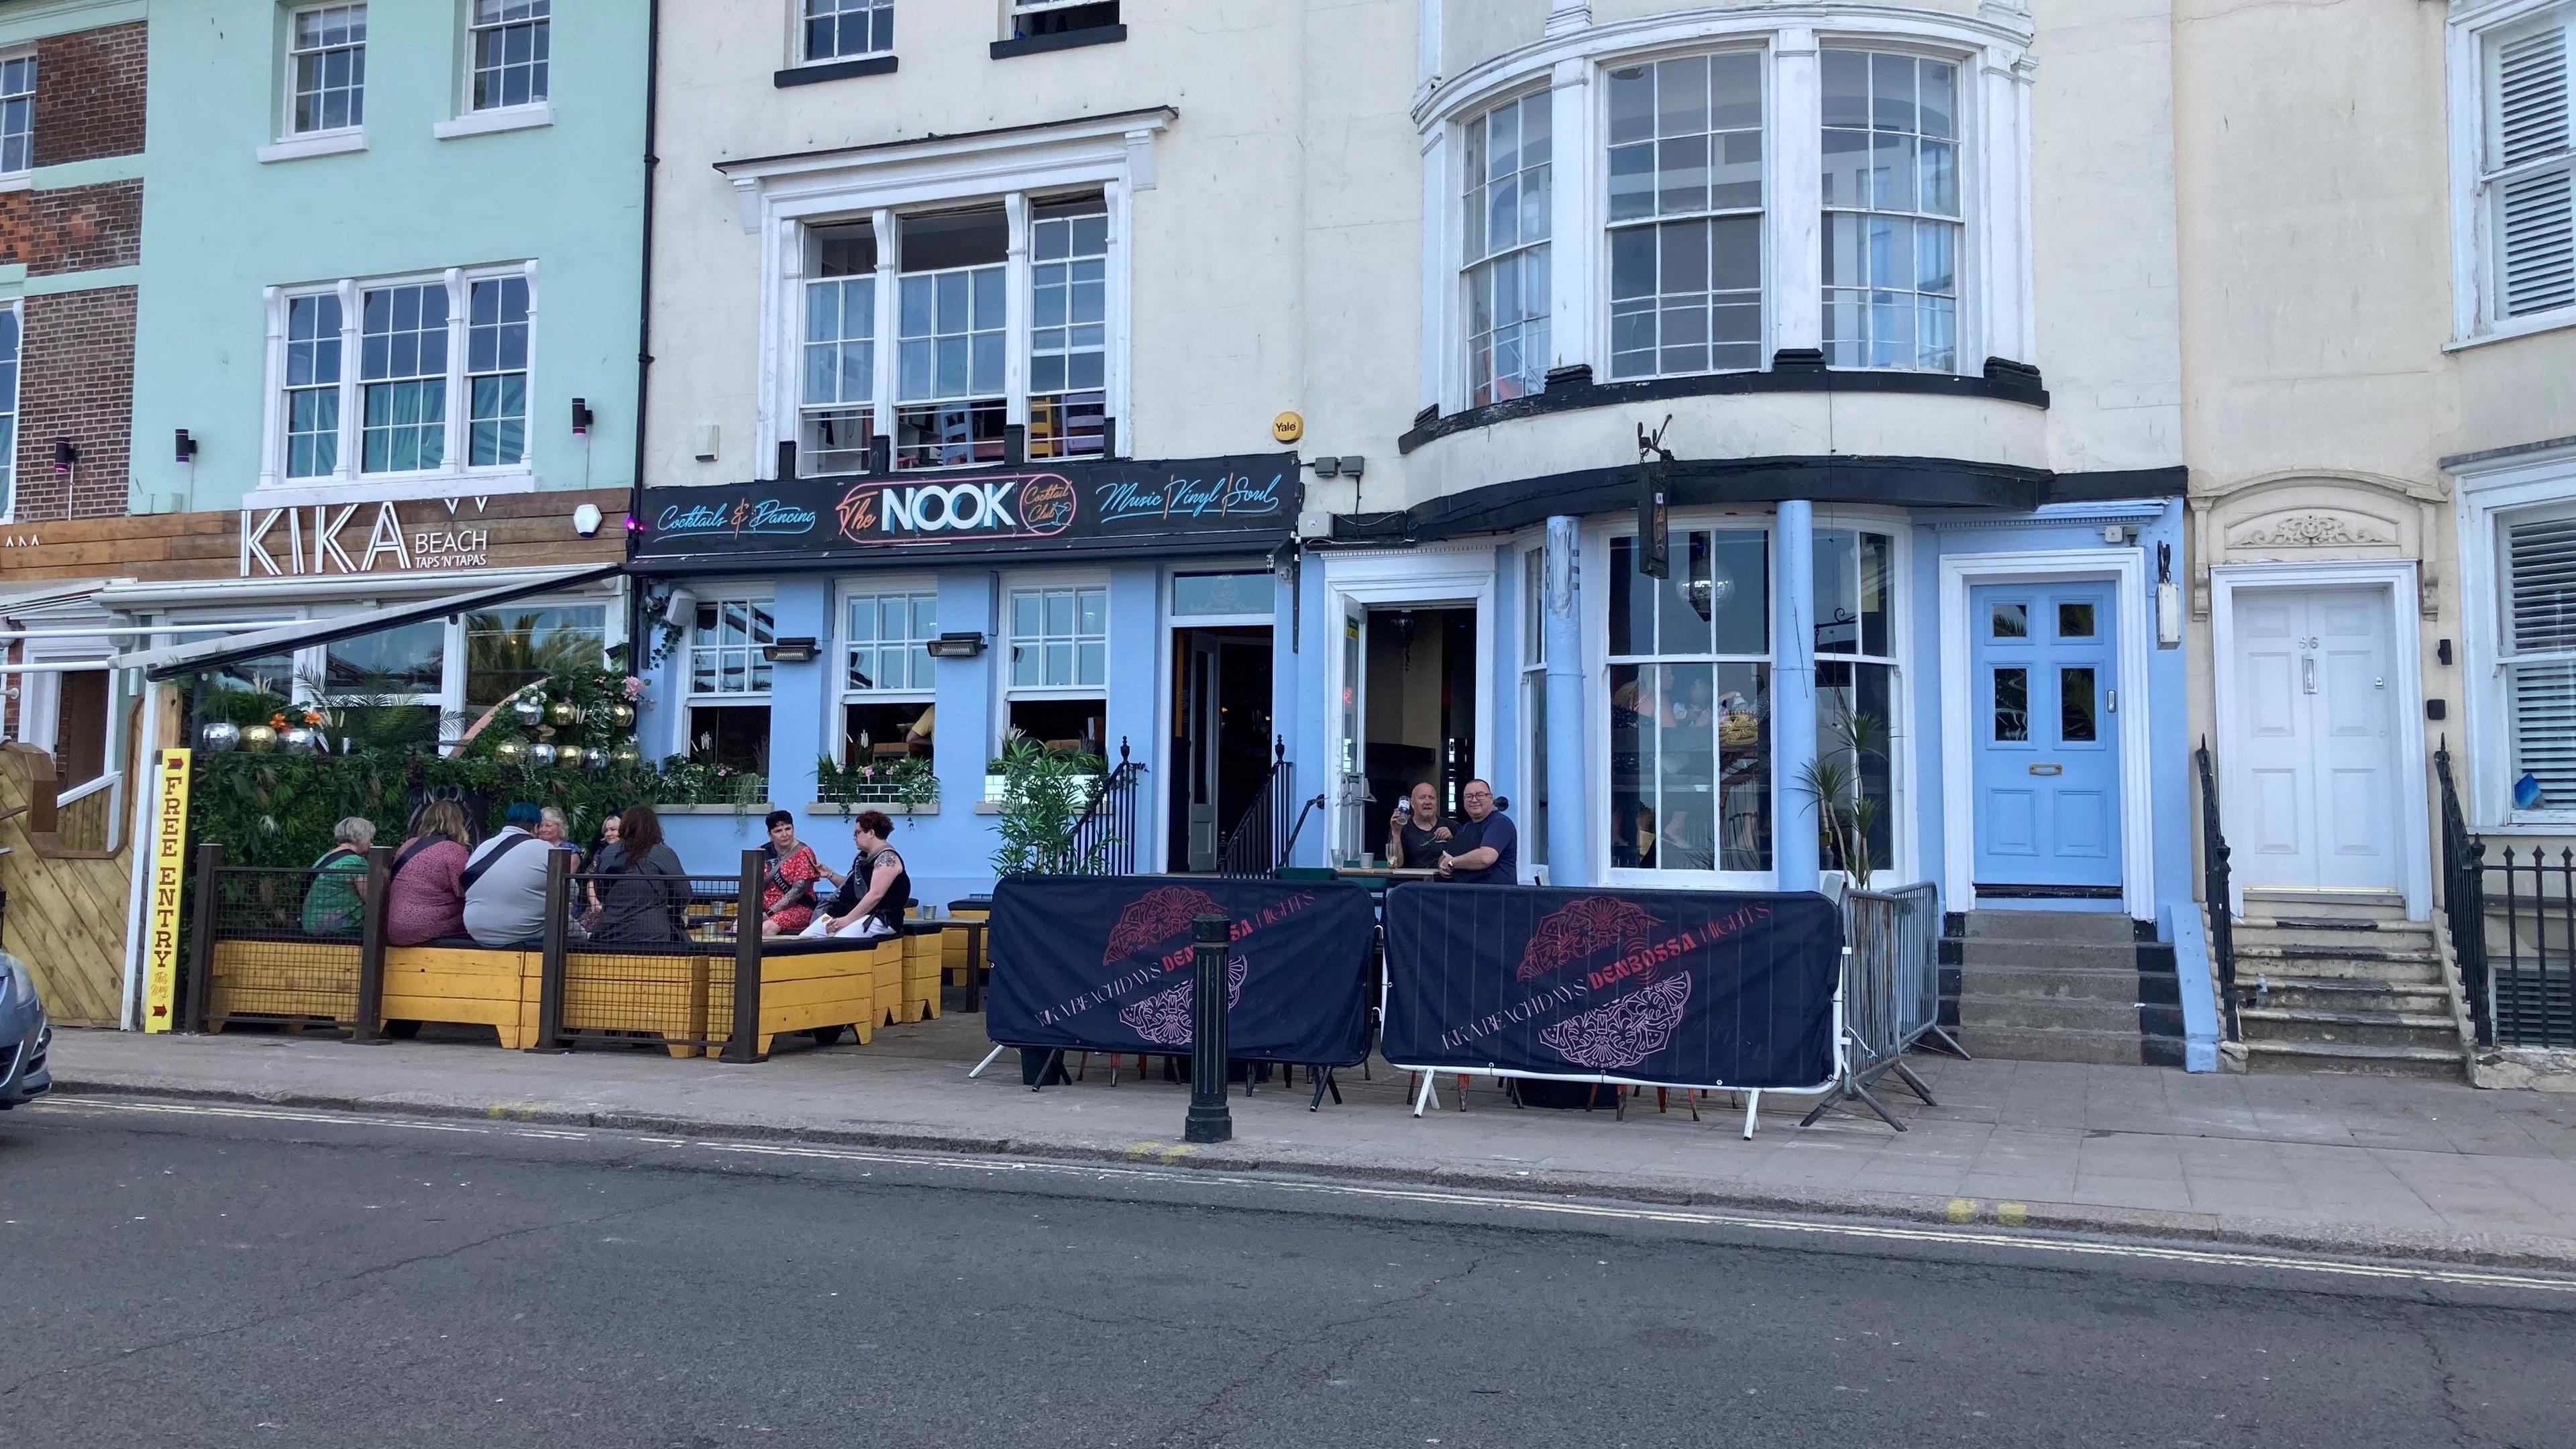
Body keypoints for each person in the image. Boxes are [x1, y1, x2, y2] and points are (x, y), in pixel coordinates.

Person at [802, 810, 909, 940]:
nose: (854, 837)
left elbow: (875, 895)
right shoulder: (862, 858)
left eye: (857, 832)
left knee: (841, 940)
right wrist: (830, 874)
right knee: (806, 938)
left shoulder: (887, 858)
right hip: (847, 912)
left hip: (879, 918)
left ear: (871, 833)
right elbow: (851, 886)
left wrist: (846, 921)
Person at [589, 805, 690, 944]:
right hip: (653, 936)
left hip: (610, 934)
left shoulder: (608, 853)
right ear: (654, 827)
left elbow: (601, 892)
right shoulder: (662, 853)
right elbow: (684, 893)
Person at [462, 802, 555, 948]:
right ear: (536, 826)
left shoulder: (483, 847)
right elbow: (570, 892)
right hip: (522, 932)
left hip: (477, 931)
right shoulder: (544, 848)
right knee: (567, 927)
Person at [385, 801, 475, 946]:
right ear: (457, 823)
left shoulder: (407, 846)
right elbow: (466, 892)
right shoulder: (453, 851)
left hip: (395, 928)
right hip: (425, 927)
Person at [757, 810, 830, 937]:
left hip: (798, 908)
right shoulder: (762, 852)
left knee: (766, 928)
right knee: (737, 927)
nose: (785, 834)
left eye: (788, 829)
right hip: (764, 909)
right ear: (770, 834)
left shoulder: (804, 853)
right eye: (778, 831)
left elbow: (797, 891)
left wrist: (769, 913)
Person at [301, 817, 375, 936]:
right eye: (370, 838)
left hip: (310, 925)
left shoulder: (327, 857)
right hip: (340, 929)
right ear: (361, 837)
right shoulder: (356, 863)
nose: (371, 842)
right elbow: (371, 899)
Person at [1437, 779, 1518, 885]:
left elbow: (1486, 858)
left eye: (1480, 795)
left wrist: (1453, 862)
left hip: (1496, 897)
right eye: (1469, 796)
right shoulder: (1466, 828)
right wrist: (1443, 865)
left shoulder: (1500, 823)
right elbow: (1447, 855)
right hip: (1469, 897)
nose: (1474, 800)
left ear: (1491, 798)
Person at [1385, 782, 1452, 869]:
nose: (1428, 802)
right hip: (1411, 880)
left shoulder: (1451, 826)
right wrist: (1397, 833)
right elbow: (1394, 864)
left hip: (1441, 880)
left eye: (1432, 798)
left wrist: (1452, 840)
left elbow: (1460, 858)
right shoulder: (1401, 827)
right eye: (1422, 798)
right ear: (1412, 803)